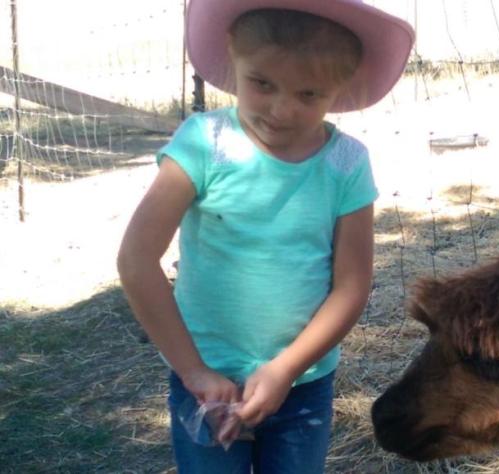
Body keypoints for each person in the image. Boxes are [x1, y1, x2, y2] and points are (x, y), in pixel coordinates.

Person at [116, 1, 414, 472]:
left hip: (302, 385)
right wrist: (193, 370)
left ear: (341, 88)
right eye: (262, 84)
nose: (281, 110)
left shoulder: (346, 164)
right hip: (205, 381)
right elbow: (136, 260)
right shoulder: (203, 144)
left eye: (309, 93)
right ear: (233, 59)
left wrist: (285, 369)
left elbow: (352, 286)